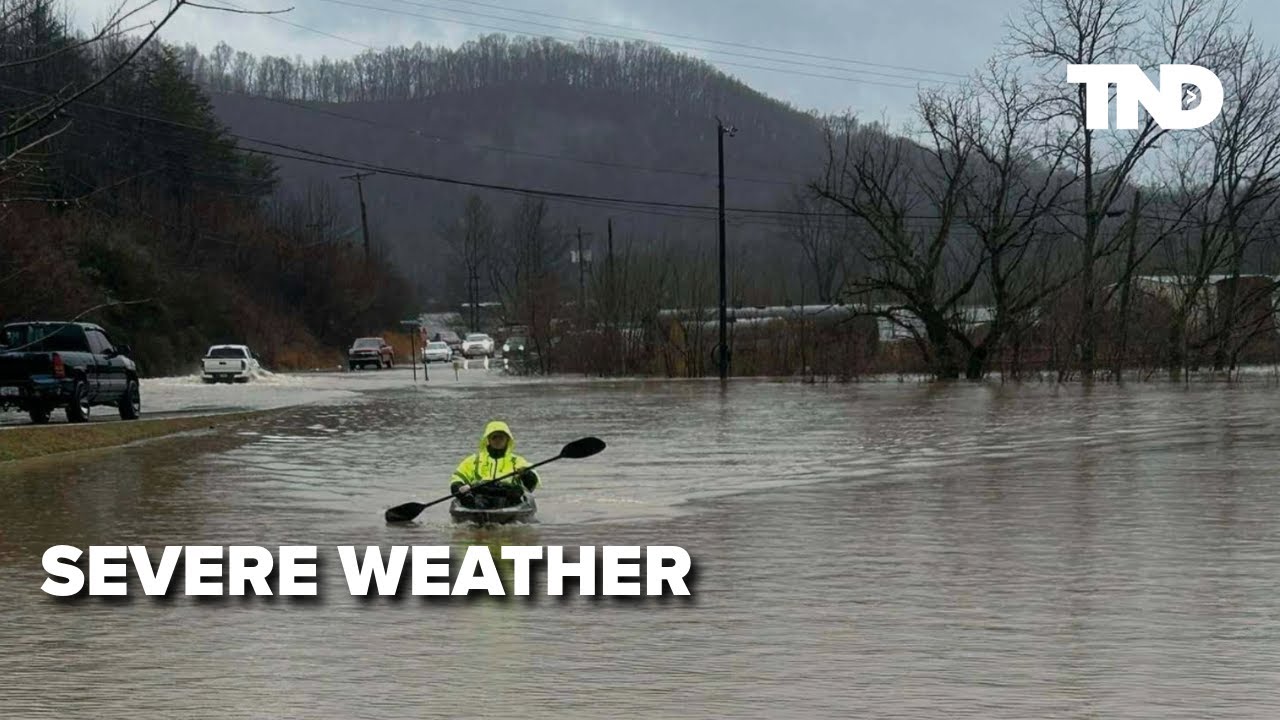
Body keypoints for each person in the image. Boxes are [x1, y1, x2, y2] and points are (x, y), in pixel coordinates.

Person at [450, 420, 540, 509]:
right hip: (479, 494)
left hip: (506, 497)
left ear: (507, 439)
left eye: (501, 437)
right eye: (494, 437)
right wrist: (458, 487)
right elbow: (457, 478)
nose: (498, 440)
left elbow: (532, 483)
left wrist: (526, 473)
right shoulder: (473, 460)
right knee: (473, 500)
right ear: (488, 439)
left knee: (514, 493)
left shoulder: (517, 461)